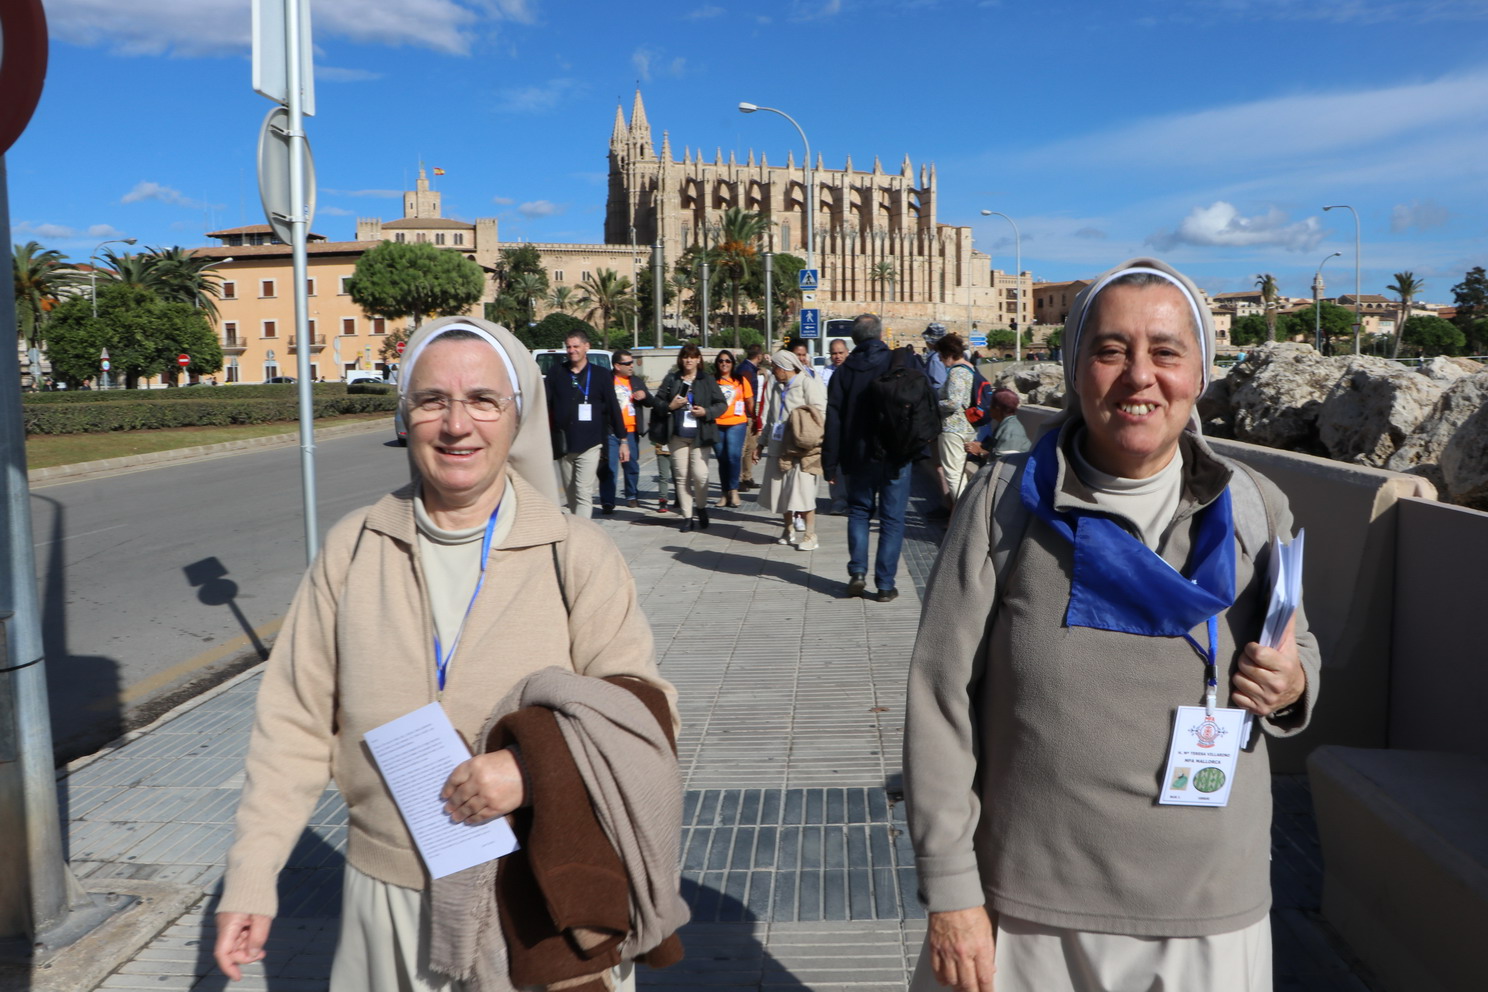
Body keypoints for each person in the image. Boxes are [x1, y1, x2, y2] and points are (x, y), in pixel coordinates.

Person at [214, 317, 678, 992]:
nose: (457, 425)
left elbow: (646, 711)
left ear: (517, 416)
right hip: (387, 900)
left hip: (533, 902)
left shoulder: (574, 552)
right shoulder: (353, 547)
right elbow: (293, 724)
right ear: (406, 415)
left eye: (483, 401)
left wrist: (534, 769)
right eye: (433, 400)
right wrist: (253, 878)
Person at [904, 258, 1321, 992]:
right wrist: (952, 890)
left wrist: (1291, 685)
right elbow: (940, 701)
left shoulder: (1255, 505)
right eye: (1110, 350)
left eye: (1166, 352)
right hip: (1030, 906)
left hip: (1210, 907)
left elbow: (1299, 645)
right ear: (1075, 369)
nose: (1140, 377)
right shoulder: (1006, 502)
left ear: (1200, 372)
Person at [823, 313, 937, 603]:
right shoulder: (900, 362)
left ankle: (858, 572)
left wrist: (830, 463)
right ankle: (885, 585)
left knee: (859, 512)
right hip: (897, 453)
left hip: (858, 455)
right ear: (881, 334)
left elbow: (833, 420)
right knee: (892, 520)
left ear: (854, 340)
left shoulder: (842, 373)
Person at [545, 330, 628, 518]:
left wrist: (623, 439)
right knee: (571, 493)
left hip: (591, 443)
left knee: (583, 492)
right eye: (568, 347)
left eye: (576, 346)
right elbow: (544, 404)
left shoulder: (601, 375)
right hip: (564, 443)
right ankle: (578, 527)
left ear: (586, 347)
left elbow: (613, 407)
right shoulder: (556, 372)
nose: (571, 350)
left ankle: (583, 532)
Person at [647, 344, 726, 532]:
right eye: (685, 357)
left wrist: (706, 411)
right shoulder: (672, 378)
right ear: (680, 359)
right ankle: (687, 517)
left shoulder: (706, 380)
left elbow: (722, 404)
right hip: (677, 435)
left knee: (700, 475)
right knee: (682, 477)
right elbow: (657, 402)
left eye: (692, 357)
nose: (688, 360)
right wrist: (670, 406)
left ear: (698, 359)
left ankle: (701, 507)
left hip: (701, 435)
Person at [756, 349, 828, 551]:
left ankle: (810, 535)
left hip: (802, 449)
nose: (773, 371)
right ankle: (788, 529)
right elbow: (771, 418)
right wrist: (761, 443)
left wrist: (802, 425)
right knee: (781, 491)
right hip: (779, 446)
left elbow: (820, 412)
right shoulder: (776, 387)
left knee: (804, 492)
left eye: (775, 367)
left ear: (785, 367)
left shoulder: (807, 383)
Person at [599, 348, 649, 513]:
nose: (631, 366)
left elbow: (650, 401)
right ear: (617, 366)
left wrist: (645, 395)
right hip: (611, 431)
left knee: (631, 465)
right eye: (627, 363)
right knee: (610, 467)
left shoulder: (636, 381)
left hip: (631, 431)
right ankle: (608, 501)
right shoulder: (606, 380)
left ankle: (631, 495)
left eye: (632, 362)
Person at [933, 333, 978, 510]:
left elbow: (954, 402)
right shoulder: (970, 368)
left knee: (953, 475)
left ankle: (964, 514)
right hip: (968, 426)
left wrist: (933, 405)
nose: (939, 359)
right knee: (959, 474)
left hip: (954, 428)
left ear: (948, 353)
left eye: (940, 354)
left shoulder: (957, 372)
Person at [711, 349, 754, 508]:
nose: (724, 364)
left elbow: (749, 400)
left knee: (733, 457)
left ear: (732, 363)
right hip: (716, 423)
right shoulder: (712, 381)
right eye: (721, 361)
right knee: (722, 459)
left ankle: (734, 491)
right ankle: (724, 493)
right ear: (717, 363)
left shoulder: (740, 380)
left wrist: (754, 419)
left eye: (727, 361)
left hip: (736, 423)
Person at [819, 339, 851, 514]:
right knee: (834, 462)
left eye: (840, 353)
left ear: (847, 352)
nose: (837, 356)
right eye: (834, 353)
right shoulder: (824, 374)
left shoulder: (854, 371)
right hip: (832, 423)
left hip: (851, 424)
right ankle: (838, 499)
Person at [964, 388, 1030, 468]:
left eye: (991, 405)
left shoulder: (1011, 431)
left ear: (997, 408)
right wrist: (982, 445)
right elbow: (996, 447)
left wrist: (979, 451)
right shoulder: (1006, 424)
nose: (988, 408)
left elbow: (1003, 461)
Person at [736, 343, 766, 492]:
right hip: (745, 413)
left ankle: (747, 477)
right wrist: (752, 415)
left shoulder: (751, 369)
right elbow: (745, 395)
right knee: (742, 448)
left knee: (750, 447)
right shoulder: (746, 371)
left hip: (751, 413)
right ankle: (738, 479)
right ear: (759, 356)